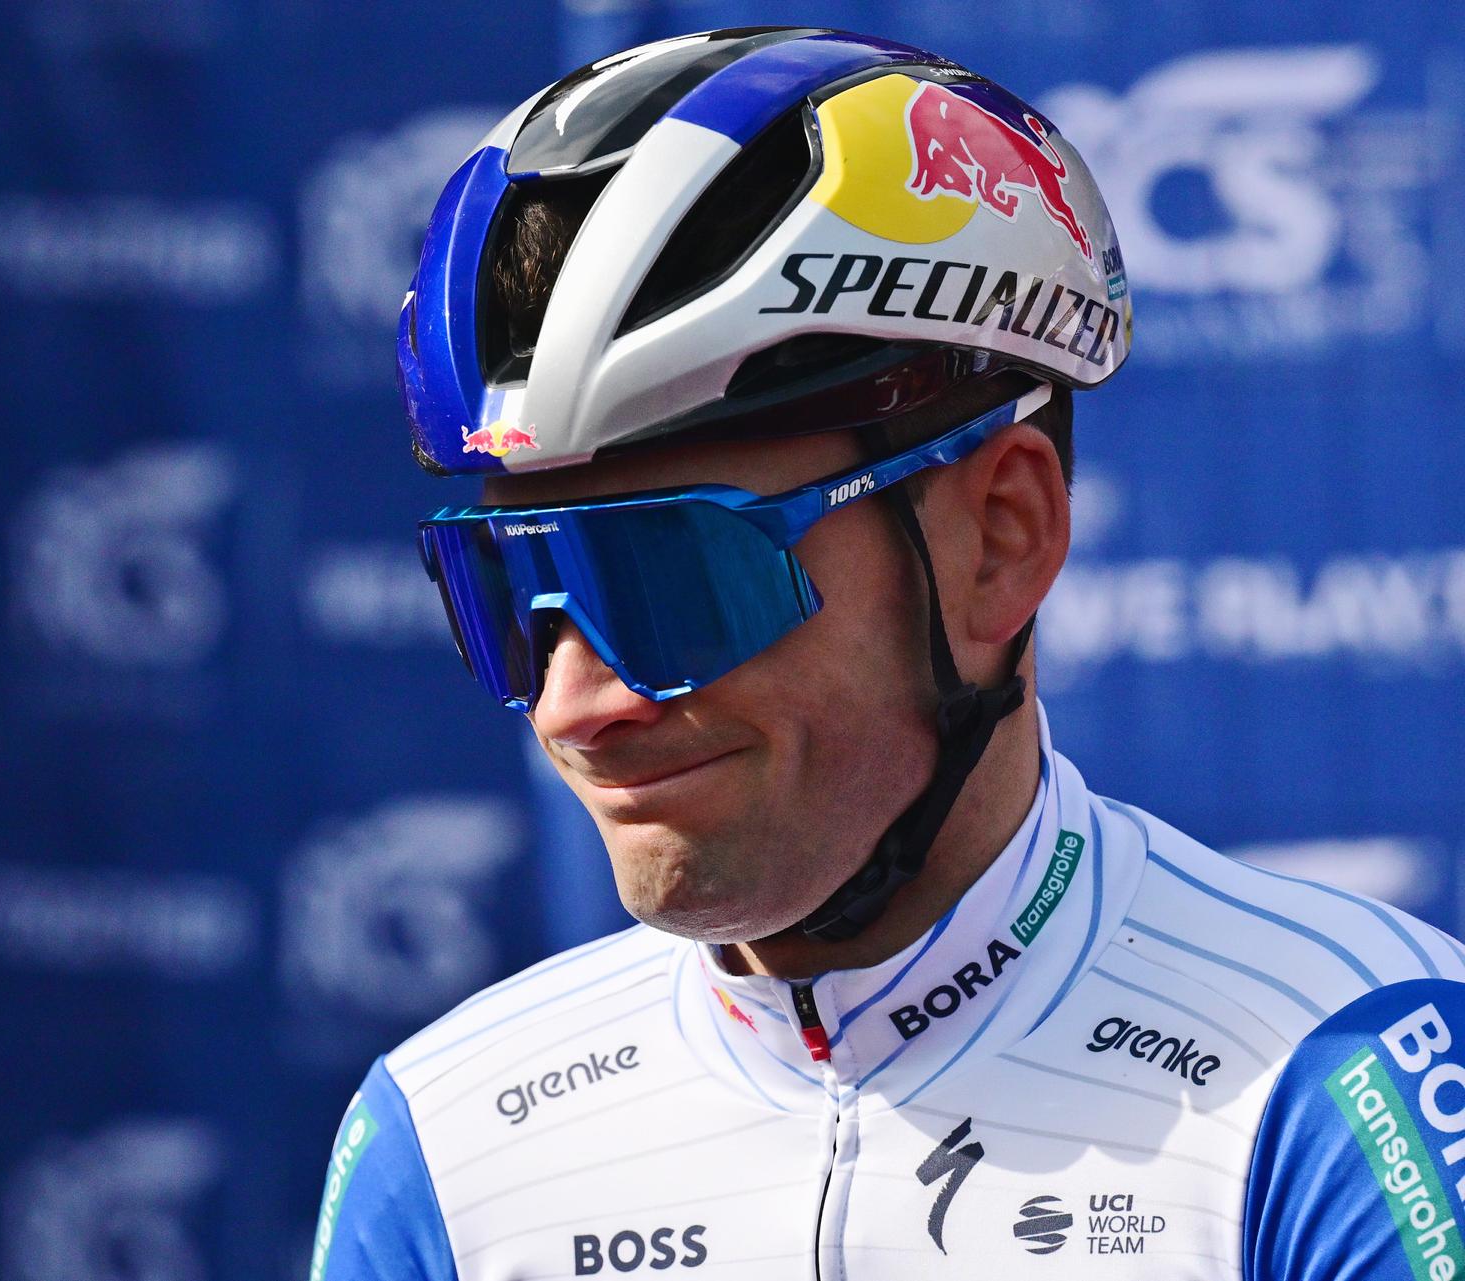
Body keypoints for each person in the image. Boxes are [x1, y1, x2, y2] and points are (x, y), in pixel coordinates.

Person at [310, 28, 1465, 1281]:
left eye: (670, 577)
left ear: (998, 544)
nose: (575, 706)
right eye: (511, 591)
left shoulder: (1347, 1083)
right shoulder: (444, 1137)